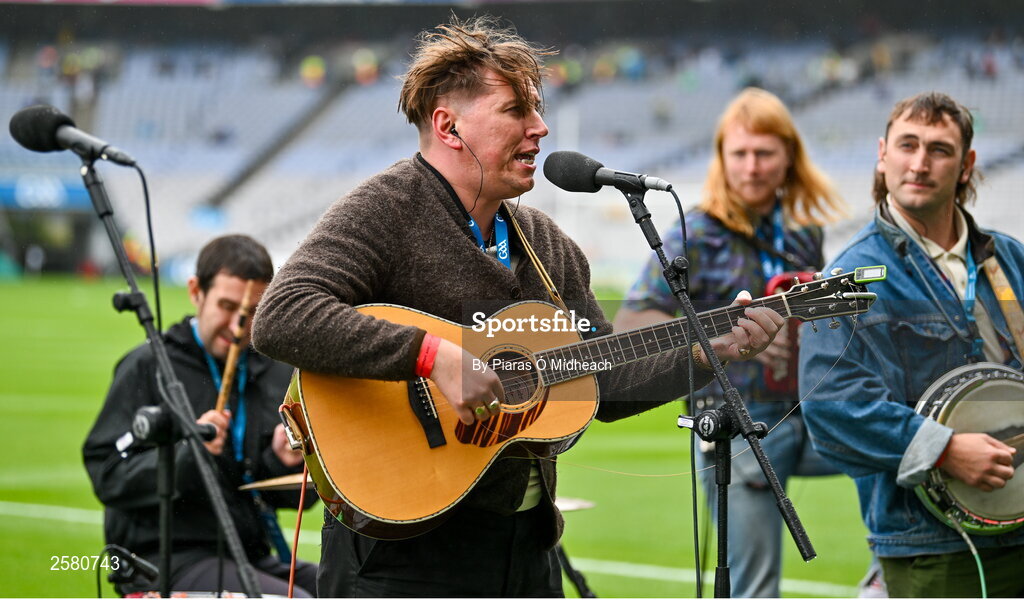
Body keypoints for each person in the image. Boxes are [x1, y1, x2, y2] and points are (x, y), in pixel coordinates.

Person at [251, 17, 784, 598]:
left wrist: (712, 352)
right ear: (448, 125)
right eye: (516, 111)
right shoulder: (384, 210)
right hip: (397, 556)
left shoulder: (549, 245)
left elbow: (602, 382)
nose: (541, 128)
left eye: (537, 110)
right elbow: (283, 313)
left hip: (524, 548)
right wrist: (432, 356)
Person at [613, 87, 849, 598]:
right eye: (738, 153)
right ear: (722, 159)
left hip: (806, 411)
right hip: (734, 426)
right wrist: (717, 340)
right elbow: (634, 319)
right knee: (754, 588)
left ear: (789, 156)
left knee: (902, 457)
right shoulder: (692, 232)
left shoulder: (804, 232)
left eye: (764, 153)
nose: (752, 166)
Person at [799, 91, 1024, 597]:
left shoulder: (1009, 259)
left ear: (966, 165)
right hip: (934, 550)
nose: (920, 163)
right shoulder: (846, 280)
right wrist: (943, 450)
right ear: (883, 154)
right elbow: (833, 409)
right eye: (908, 145)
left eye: (939, 150)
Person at [83, 234, 319, 597]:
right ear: (196, 292)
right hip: (162, 559)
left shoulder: (270, 370)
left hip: (247, 553)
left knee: (352, 588)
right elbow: (108, 474)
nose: (238, 326)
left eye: (254, 311)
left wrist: (283, 460)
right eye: (226, 306)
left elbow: (272, 492)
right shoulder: (149, 366)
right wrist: (189, 452)